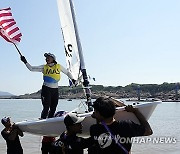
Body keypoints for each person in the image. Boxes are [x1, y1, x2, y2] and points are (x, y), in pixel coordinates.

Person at [21, 53, 76, 119]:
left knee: (53, 108)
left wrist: (73, 79)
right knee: (46, 107)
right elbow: (31, 68)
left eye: (48, 57)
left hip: (55, 90)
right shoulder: (44, 67)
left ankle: (50, 120)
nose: (46, 59)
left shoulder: (59, 66)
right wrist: (25, 61)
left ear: (53, 59)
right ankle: (43, 120)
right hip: (46, 90)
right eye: (46, 58)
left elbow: (67, 72)